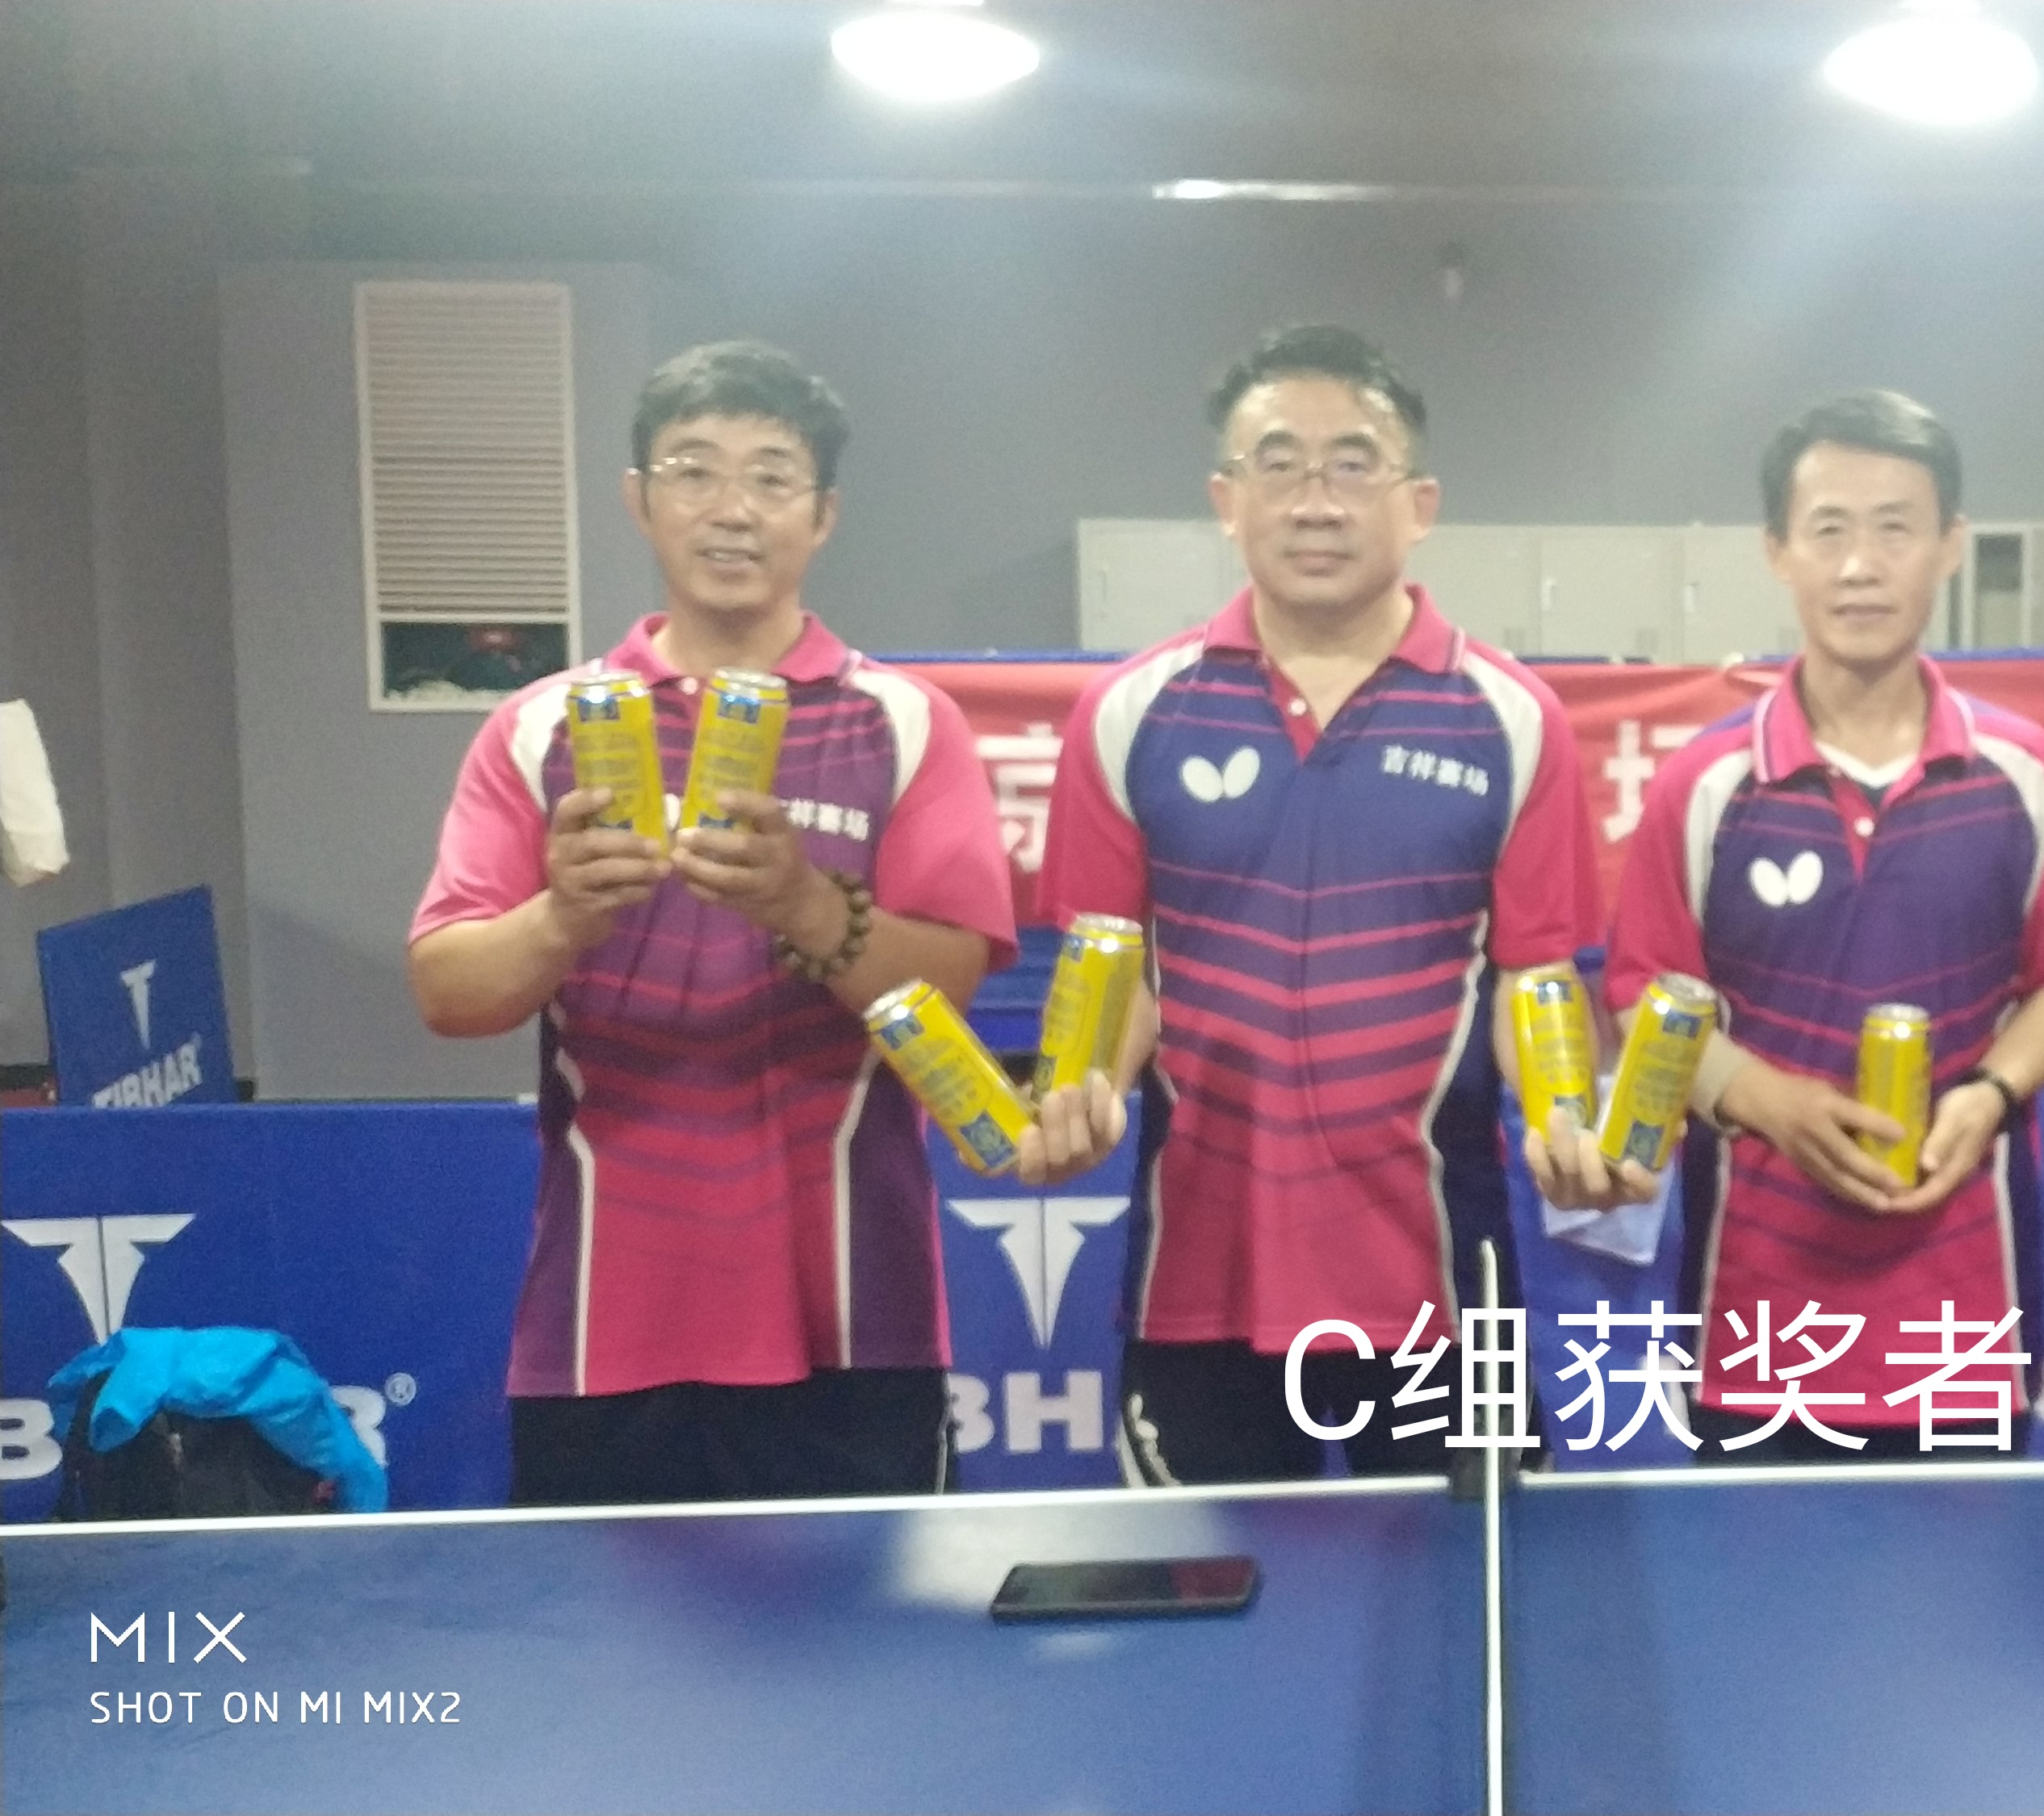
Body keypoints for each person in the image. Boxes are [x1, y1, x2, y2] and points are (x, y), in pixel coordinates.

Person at [408, 341, 1016, 1505]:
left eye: (772, 477)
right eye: (694, 471)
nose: (732, 508)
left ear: (822, 515)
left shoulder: (903, 721)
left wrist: (803, 906)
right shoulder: (542, 727)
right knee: (598, 1632)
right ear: (640, 499)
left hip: (856, 1321)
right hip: (599, 1324)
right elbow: (448, 989)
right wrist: (563, 916)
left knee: (861, 1629)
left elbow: (947, 988)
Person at [1016, 324, 1597, 1483]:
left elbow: (1533, 980)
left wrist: (1567, 1118)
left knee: (1480, 1592)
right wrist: (1084, 1092)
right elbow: (1111, 973)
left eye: (1352, 464)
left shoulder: (1513, 718)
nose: (1315, 501)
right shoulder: (1132, 712)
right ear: (1226, 502)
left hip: (1448, 1285)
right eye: (1278, 464)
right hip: (1197, 1285)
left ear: (1419, 505)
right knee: (1212, 1598)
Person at [1573, 390, 2044, 1462]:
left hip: (1964, 1319)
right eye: (1829, 530)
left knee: (1973, 1575)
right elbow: (1643, 995)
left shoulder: (2023, 771)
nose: (1862, 565)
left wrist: (1991, 1093)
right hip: (1755, 1321)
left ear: (1951, 544)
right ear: (1779, 552)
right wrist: (1764, 1099)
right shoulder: (1704, 783)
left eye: (1896, 528)